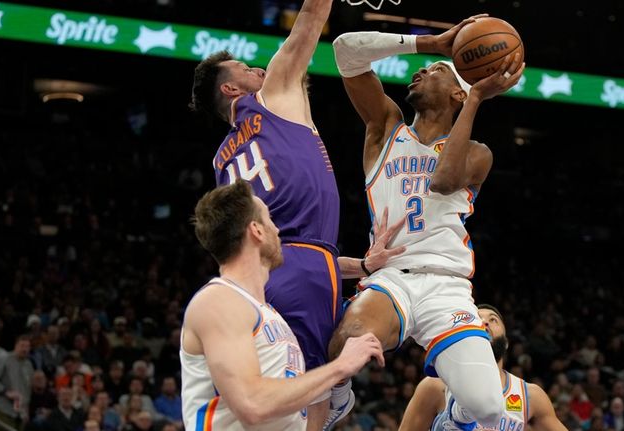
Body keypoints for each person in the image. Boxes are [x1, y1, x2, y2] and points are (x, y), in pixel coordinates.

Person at [189, 0, 404, 426]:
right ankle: (334, 392)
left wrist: (360, 265)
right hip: (304, 269)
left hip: (267, 276)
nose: (257, 69)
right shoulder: (270, 97)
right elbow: (310, 18)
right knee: (314, 394)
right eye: (245, 68)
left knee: (288, 388)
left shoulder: (221, 161)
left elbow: (280, 246)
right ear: (231, 90)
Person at [326, 15, 524, 430]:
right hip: (392, 275)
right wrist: (430, 46)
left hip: (447, 285)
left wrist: (475, 100)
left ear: (456, 92)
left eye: (435, 71)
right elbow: (345, 49)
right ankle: (338, 399)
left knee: (489, 408)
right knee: (345, 345)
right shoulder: (385, 128)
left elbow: (443, 180)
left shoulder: (478, 153)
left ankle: (456, 415)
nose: (419, 73)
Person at [181, 180, 385, 430]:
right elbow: (252, 404)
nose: (277, 231)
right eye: (270, 221)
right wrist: (340, 367)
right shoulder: (219, 302)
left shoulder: (269, 315)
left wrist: (363, 266)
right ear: (256, 231)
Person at [399, 304, 566, 431]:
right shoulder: (436, 386)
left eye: (493, 320)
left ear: (506, 343)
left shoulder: (530, 395)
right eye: (477, 318)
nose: (485, 322)